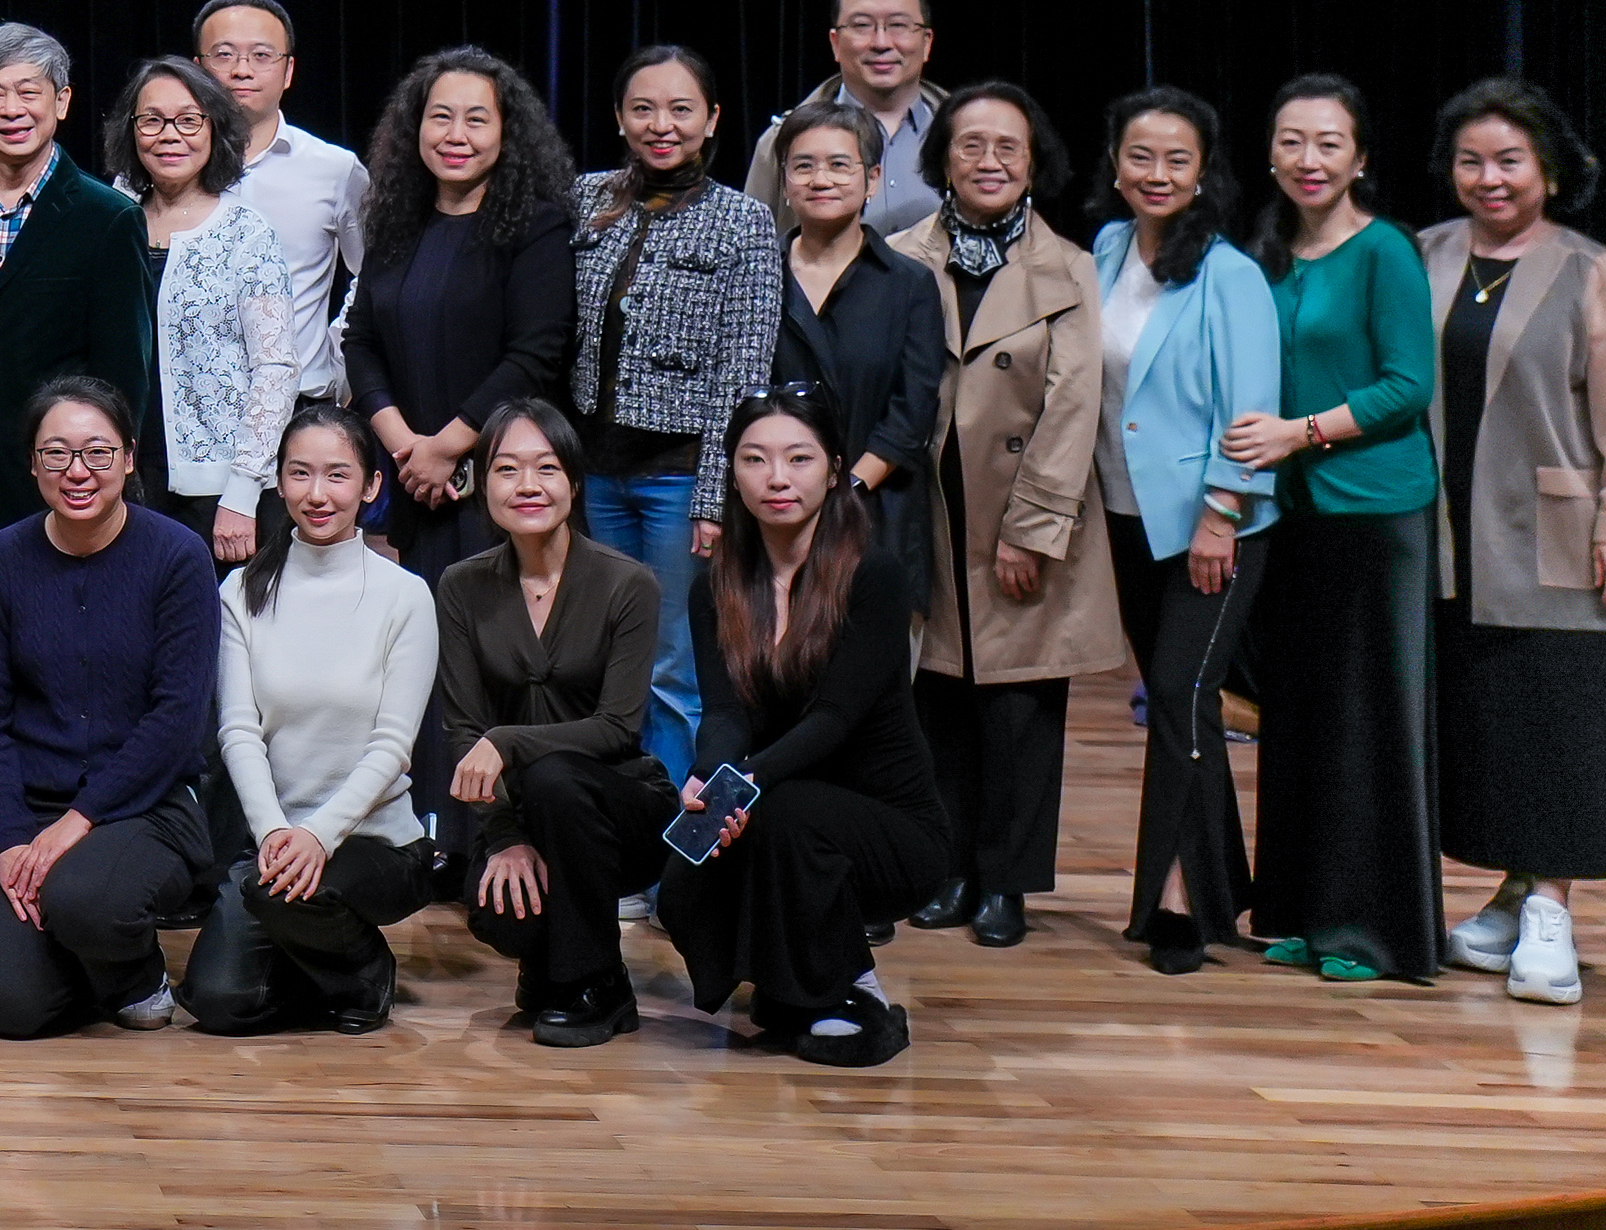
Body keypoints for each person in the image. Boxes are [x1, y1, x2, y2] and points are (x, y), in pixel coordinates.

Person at [1417, 77, 1606, 1007]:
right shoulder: (1423, 253)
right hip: (1446, 532)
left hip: (1556, 531)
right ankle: (1514, 892)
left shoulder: (1594, 271)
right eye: (1470, 160)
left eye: (1509, 160)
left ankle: (1551, 908)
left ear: (1548, 170)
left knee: (1559, 720)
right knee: (1493, 723)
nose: (1489, 178)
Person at [1218, 74, 1446, 981]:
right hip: (1294, 514)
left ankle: (1371, 932)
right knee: (1300, 720)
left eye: (1327, 142)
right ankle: (1299, 911)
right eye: (1291, 141)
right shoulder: (1268, 252)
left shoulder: (1384, 249)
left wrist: (1299, 432)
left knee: (1368, 725)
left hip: (1375, 513)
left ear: (1359, 158)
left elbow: (1407, 385)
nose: (1307, 159)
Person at [888, 80, 1124, 950]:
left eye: (1007, 147)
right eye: (970, 144)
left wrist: (1032, 527)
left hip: (1022, 513)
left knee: (1019, 709)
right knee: (938, 700)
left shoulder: (1070, 265)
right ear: (941, 157)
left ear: (1032, 162)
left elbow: (1072, 401)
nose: (988, 161)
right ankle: (948, 867)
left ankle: (1006, 882)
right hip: (928, 509)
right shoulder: (902, 252)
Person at [662, 383, 952, 1065]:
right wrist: (709, 778)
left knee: (784, 811)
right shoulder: (715, 587)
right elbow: (724, 712)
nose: (777, 478)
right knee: (685, 868)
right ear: (732, 473)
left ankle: (855, 991)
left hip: (890, 825)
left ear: (833, 468)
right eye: (754, 459)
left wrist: (745, 783)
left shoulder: (872, 575)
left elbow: (834, 719)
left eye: (798, 458)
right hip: (780, 803)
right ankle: (789, 983)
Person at [0, 376, 218, 1039]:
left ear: (128, 458)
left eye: (98, 452)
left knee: (81, 898)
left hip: (143, 805)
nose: (77, 471)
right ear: (31, 462)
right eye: (56, 453)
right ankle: (83, 958)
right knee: (7, 1007)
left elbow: (176, 717)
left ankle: (133, 973)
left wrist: (77, 822)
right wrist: (9, 840)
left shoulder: (178, 556)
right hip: (27, 808)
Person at [1091, 87, 1283, 973]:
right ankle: (1216, 889)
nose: (1156, 173)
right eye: (1141, 155)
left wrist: (1220, 512)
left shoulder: (1229, 273)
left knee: (1178, 691)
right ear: (1115, 165)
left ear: (1203, 171)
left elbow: (1250, 409)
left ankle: (1174, 897)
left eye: (1177, 158)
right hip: (1125, 515)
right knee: (1183, 702)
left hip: (1210, 523)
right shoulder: (1104, 250)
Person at [178, 400, 437, 1036]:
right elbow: (238, 731)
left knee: (291, 896)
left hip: (374, 842)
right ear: (279, 481)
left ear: (371, 487)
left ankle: (365, 971)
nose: (317, 494)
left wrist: (318, 835)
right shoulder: (241, 590)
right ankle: (313, 965)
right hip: (274, 844)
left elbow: (393, 746)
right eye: (300, 473)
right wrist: (274, 831)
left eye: (337, 475)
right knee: (218, 1002)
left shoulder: (405, 596)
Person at [566, 44, 785, 787]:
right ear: (620, 118)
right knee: (603, 655)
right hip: (594, 471)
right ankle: (612, 822)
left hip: (678, 477)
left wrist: (714, 495)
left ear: (712, 118)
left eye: (680, 108)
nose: (662, 124)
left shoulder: (743, 220)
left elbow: (744, 368)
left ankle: (672, 835)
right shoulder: (586, 199)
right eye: (644, 108)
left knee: (671, 666)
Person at [432, 398, 667, 1044]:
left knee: (556, 777)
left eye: (546, 467)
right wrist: (505, 836)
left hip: (618, 807)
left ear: (574, 481)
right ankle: (548, 961)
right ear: (482, 483)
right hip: (521, 811)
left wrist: (505, 741)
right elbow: (461, 731)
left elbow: (617, 727)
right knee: (499, 910)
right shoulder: (460, 585)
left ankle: (599, 983)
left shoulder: (627, 583)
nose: (527, 485)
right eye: (507, 469)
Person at [0, 24, 156, 542]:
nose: (11, 109)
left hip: (52, 486)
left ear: (61, 102)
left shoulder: (107, 218)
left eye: (28, 91)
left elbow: (122, 372)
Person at [342, 45, 579, 582]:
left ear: (506, 133)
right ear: (416, 128)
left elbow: (534, 356)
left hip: (504, 476)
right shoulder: (396, 222)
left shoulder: (537, 227)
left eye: (476, 120)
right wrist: (409, 450)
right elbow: (360, 341)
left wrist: (446, 448)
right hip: (417, 482)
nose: (455, 135)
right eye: (441, 117)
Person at [761, 99, 947, 602]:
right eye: (804, 166)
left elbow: (911, 413)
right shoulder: (755, 275)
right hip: (769, 511)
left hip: (873, 510)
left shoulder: (908, 283)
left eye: (840, 165)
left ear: (873, 178)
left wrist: (843, 491)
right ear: (785, 181)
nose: (821, 179)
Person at [117, 55, 291, 566]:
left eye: (189, 120)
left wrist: (242, 492)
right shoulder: (111, 221)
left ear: (214, 129)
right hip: (121, 481)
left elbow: (276, 368)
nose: (169, 135)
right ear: (131, 131)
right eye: (152, 120)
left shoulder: (246, 232)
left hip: (219, 495)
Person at [193, 0, 371, 417]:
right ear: (196, 69)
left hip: (300, 406)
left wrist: (337, 359)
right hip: (191, 407)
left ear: (288, 70)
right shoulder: (161, 169)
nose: (242, 70)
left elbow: (377, 277)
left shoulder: (334, 169)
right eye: (224, 55)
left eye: (261, 56)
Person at [751, 0, 945, 238]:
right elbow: (752, 250)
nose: (881, 43)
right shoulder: (782, 141)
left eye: (899, 25)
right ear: (835, 42)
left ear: (926, 42)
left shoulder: (966, 139)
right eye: (862, 26)